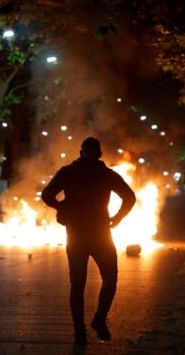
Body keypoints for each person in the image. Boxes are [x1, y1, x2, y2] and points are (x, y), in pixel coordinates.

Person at [41, 137, 136, 345]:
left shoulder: (68, 172)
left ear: (81, 152)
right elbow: (130, 197)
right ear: (99, 154)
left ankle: (79, 332)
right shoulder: (106, 175)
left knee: (77, 284)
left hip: (76, 234)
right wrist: (117, 218)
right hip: (100, 233)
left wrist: (62, 207)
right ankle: (99, 320)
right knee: (110, 278)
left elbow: (47, 194)